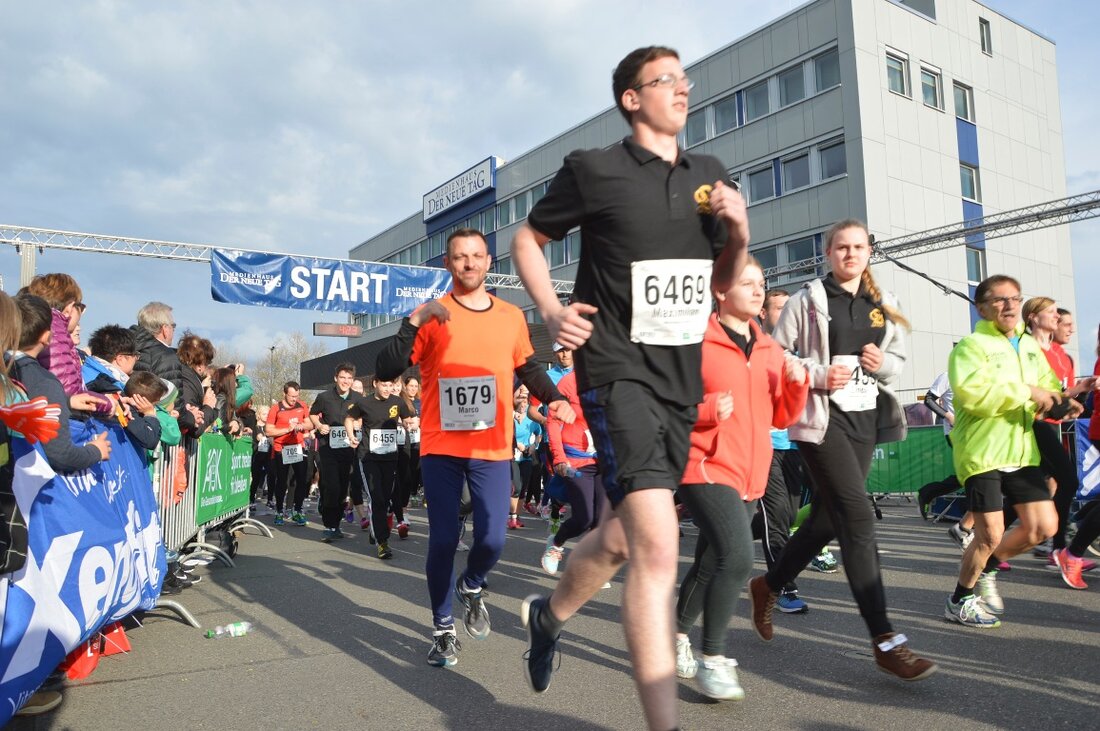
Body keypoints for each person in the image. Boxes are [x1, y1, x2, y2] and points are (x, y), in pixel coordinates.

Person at [511, 46, 749, 729]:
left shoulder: (710, 175)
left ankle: (548, 615)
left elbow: (724, 281)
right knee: (658, 547)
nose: (683, 88)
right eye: (666, 79)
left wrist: (737, 230)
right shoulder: (595, 169)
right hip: (616, 371)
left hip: (680, 382)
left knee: (619, 539)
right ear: (632, 97)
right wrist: (550, 310)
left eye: (684, 78)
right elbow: (527, 238)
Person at [746, 219, 936, 680]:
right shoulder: (807, 300)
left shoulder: (884, 302)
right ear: (828, 253)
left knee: (828, 520)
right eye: (841, 247)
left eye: (858, 247)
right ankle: (885, 639)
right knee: (858, 516)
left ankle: (768, 585)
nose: (850, 254)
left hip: (865, 420)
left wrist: (882, 363)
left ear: (869, 251)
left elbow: (898, 360)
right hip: (820, 420)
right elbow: (775, 354)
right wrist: (818, 374)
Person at [376, 227, 572, 669]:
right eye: (460, 256)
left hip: (492, 447)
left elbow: (528, 367)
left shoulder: (510, 316)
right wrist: (412, 322)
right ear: (448, 264)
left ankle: (471, 584)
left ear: (488, 263)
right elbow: (387, 368)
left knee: (493, 538)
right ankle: (443, 628)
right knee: (444, 539)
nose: (469, 263)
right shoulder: (433, 315)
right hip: (441, 448)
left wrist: (555, 398)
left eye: (477, 256)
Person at [674, 258, 808, 700]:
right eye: (746, 282)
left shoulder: (770, 349)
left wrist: (796, 386)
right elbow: (666, 408)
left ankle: (675, 634)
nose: (757, 290)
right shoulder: (695, 341)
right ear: (720, 291)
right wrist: (707, 410)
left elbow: (782, 417)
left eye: (761, 283)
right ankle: (713, 660)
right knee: (736, 558)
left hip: (750, 470)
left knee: (710, 561)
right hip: (704, 464)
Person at [944, 275, 1076, 626]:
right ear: (982, 308)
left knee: (1043, 527)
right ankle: (959, 600)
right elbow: (973, 395)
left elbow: (1047, 385)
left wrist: (1063, 401)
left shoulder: (1029, 345)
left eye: (1015, 298)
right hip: (983, 451)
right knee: (989, 534)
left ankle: (986, 568)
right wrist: (1028, 392)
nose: (1010, 305)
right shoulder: (970, 347)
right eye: (1000, 299)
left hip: (1021, 450)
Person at [751, 288, 815, 612]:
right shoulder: (754, 349)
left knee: (788, 515)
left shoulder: (803, 351)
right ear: (763, 313)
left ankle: (735, 531)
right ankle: (782, 588)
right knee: (776, 516)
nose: (788, 312)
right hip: (764, 445)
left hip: (796, 445)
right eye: (779, 308)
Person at [1021, 298, 1094, 567]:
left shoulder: (1060, 355)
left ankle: (1054, 545)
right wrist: (1065, 400)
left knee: (1039, 486)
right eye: (1052, 313)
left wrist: (1076, 395)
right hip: (1031, 423)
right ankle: (1059, 548)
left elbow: (1057, 393)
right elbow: (1031, 390)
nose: (1059, 320)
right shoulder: (1027, 347)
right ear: (1033, 317)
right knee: (1063, 482)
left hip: (1050, 424)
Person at [10, 294, 111, 473]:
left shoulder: (7, 368)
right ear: (47, 337)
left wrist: (66, 401)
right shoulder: (44, 382)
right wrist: (96, 451)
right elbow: (61, 455)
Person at [345, 375, 412, 555]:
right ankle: (383, 542)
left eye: (390, 385)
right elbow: (349, 419)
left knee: (385, 497)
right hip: (369, 457)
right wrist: (351, 436)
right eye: (384, 385)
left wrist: (408, 423)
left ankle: (376, 530)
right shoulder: (364, 403)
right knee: (377, 498)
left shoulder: (398, 402)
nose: (388, 389)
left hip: (390, 457)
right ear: (375, 384)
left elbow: (409, 418)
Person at [309, 364, 358, 539]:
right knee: (332, 485)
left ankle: (335, 524)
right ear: (336, 378)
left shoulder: (357, 398)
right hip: (327, 448)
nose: (346, 381)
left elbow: (362, 417)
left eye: (349, 378)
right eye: (342, 377)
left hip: (347, 448)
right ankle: (329, 525)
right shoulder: (324, 397)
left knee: (343, 488)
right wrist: (319, 425)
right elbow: (313, 414)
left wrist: (357, 424)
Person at [265, 381, 312, 527]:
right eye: (292, 396)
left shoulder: (302, 405)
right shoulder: (276, 408)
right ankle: (279, 511)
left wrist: (301, 426)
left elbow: (310, 424)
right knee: (282, 481)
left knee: (301, 480)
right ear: (284, 393)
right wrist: (287, 429)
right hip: (281, 448)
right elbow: (268, 431)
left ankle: (297, 510)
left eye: (296, 396)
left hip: (297, 447)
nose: (294, 399)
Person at [129, 301, 185, 391]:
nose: (173, 330)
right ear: (165, 329)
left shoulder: (124, 348)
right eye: (173, 326)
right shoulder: (166, 356)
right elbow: (172, 397)